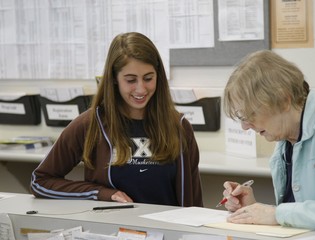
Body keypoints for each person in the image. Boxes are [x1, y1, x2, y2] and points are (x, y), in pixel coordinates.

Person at [30, 32, 203, 207]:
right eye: (130, 80)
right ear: (114, 78)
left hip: (167, 232)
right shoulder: (89, 124)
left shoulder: (179, 126)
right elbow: (40, 182)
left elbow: (193, 201)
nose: (141, 89)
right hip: (112, 231)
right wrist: (99, 193)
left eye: (148, 78)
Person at [221, 50, 315, 231]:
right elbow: (297, 215)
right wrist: (251, 209)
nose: (245, 127)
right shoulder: (284, 139)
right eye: (242, 117)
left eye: (251, 114)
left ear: (283, 100)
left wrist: (277, 213)